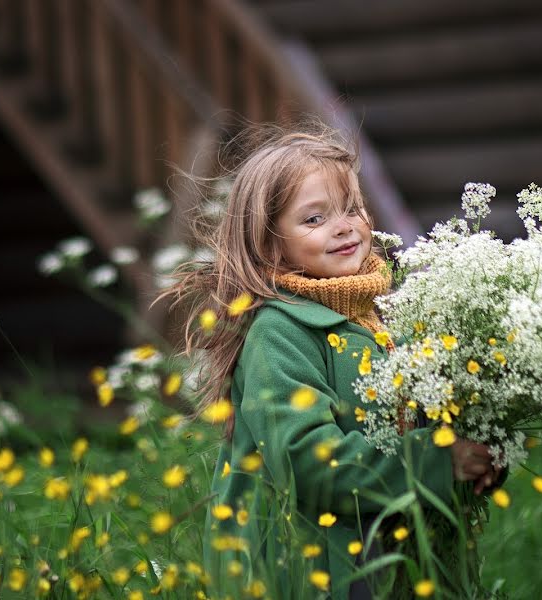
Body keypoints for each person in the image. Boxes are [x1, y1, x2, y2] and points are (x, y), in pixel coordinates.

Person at [163, 120, 503, 600]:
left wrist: (473, 461)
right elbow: (306, 462)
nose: (344, 226)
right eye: (314, 218)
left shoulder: (389, 319)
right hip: (305, 564)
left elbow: (420, 428)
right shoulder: (279, 333)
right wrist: (434, 463)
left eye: (352, 208)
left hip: (390, 555)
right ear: (269, 244)